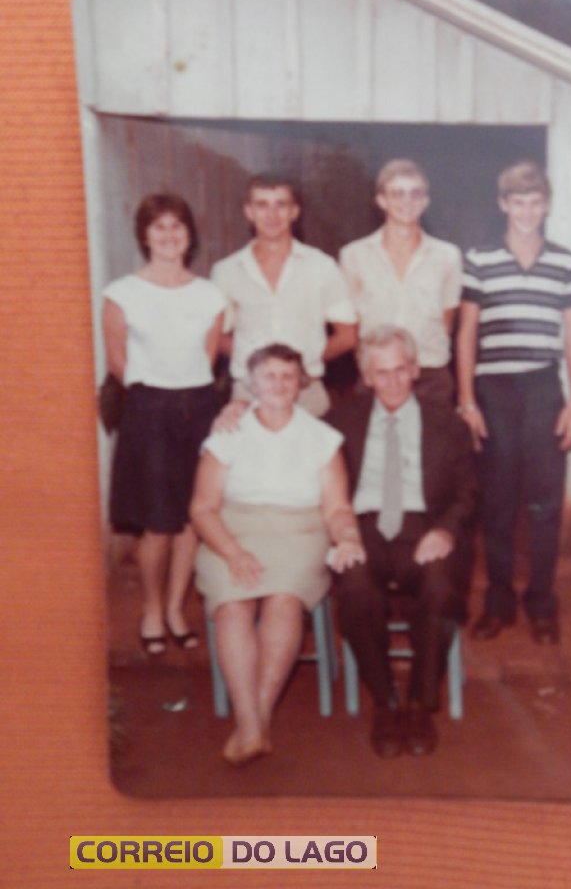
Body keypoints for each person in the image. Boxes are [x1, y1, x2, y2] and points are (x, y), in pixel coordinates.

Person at [190, 344, 364, 766]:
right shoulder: (227, 434)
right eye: (269, 376)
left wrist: (348, 536)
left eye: (288, 376)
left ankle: (253, 723)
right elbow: (201, 509)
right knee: (233, 608)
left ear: (302, 382)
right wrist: (232, 552)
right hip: (231, 529)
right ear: (250, 384)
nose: (279, 385)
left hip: (299, 530)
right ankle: (253, 725)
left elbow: (337, 508)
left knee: (283, 602)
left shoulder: (321, 437)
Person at [326, 326, 477, 758]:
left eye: (400, 370)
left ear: (414, 370)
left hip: (425, 527)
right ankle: (385, 700)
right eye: (381, 373)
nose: (391, 382)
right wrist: (239, 407)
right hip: (364, 529)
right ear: (366, 376)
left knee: (440, 584)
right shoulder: (339, 421)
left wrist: (446, 530)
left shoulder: (448, 425)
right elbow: (286, 434)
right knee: (354, 588)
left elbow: (470, 492)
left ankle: (419, 702)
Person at [456, 160, 571, 645]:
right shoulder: (480, 258)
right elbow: (467, 329)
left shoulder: (564, 262)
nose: (527, 211)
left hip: (542, 388)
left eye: (536, 202)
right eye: (518, 202)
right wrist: (467, 400)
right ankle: (498, 602)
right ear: (503, 204)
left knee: (545, 504)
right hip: (494, 389)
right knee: (498, 501)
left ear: (546, 205)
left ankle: (542, 603)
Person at [102, 192, 226, 655]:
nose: (169, 235)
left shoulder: (210, 294)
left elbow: (207, 359)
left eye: (177, 226)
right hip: (148, 410)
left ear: (189, 235)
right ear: (145, 236)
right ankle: (152, 609)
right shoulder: (121, 294)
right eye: (159, 227)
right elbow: (118, 363)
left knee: (194, 519)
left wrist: (188, 398)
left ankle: (177, 607)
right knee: (157, 524)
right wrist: (157, 399)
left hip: (198, 407)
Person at [211, 172, 357, 417]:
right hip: (249, 395)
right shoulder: (226, 271)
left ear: (294, 212)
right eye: (262, 205)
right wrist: (254, 365)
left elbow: (348, 336)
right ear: (249, 212)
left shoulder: (322, 266)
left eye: (281, 205)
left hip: (307, 394)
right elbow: (217, 336)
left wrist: (304, 365)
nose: (272, 215)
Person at [340, 159, 462, 408]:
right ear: (382, 200)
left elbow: (446, 323)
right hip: (377, 376)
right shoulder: (354, 255)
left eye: (415, 194)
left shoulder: (448, 255)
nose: (407, 202)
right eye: (397, 194)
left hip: (430, 376)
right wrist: (369, 370)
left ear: (426, 201)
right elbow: (351, 326)